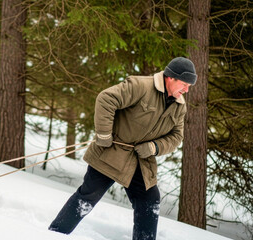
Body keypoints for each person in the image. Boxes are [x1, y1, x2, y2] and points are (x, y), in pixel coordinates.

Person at [48, 57, 197, 240]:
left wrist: (154, 147)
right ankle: (55, 234)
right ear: (170, 78)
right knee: (88, 196)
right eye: (184, 84)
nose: (186, 90)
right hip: (111, 153)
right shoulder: (140, 86)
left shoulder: (179, 106)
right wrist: (104, 135)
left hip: (141, 162)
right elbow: (106, 99)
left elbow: (176, 137)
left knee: (150, 201)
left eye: (189, 86)